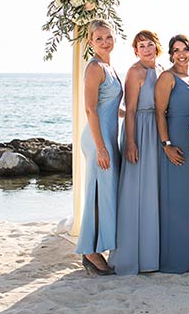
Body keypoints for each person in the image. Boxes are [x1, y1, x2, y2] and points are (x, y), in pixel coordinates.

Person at [109, 30, 163, 275]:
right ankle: (132, 255)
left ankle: (153, 255)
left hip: (157, 131)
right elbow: (129, 110)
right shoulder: (135, 72)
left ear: (157, 46)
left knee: (153, 191)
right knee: (135, 190)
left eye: (150, 44)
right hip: (139, 130)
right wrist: (130, 142)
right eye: (141, 46)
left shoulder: (161, 70)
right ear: (135, 51)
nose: (147, 49)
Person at [75, 19, 122, 276]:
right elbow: (91, 109)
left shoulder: (109, 67)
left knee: (105, 195)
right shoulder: (94, 67)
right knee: (96, 193)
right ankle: (90, 252)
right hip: (97, 140)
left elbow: (111, 104)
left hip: (107, 136)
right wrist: (101, 148)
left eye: (108, 37)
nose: (105, 42)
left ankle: (96, 247)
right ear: (91, 42)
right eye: (99, 38)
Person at [154, 35, 189, 273]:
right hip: (176, 144)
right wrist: (166, 144)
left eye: (185, 49)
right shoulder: (167, 77)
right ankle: (172, 260)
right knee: (175, 201)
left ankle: (188, 256)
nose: (181, 54)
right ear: (171, 54)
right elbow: (159, 112)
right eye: (176, 50)